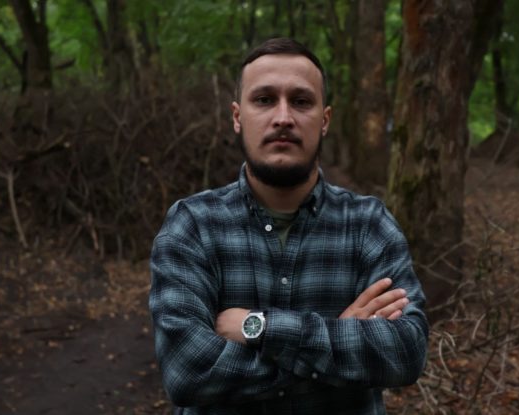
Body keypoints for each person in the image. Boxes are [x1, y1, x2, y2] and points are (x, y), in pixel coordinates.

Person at [149, 37, 428, 415]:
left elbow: (407, 351)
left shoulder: (368, 225)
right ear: (237, 117)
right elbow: (187, 371)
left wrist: (258, 327)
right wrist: (338, 342)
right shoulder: (194, 225)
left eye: (301, 101)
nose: (283, 117)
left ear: (324, 120)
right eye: (264, 100)